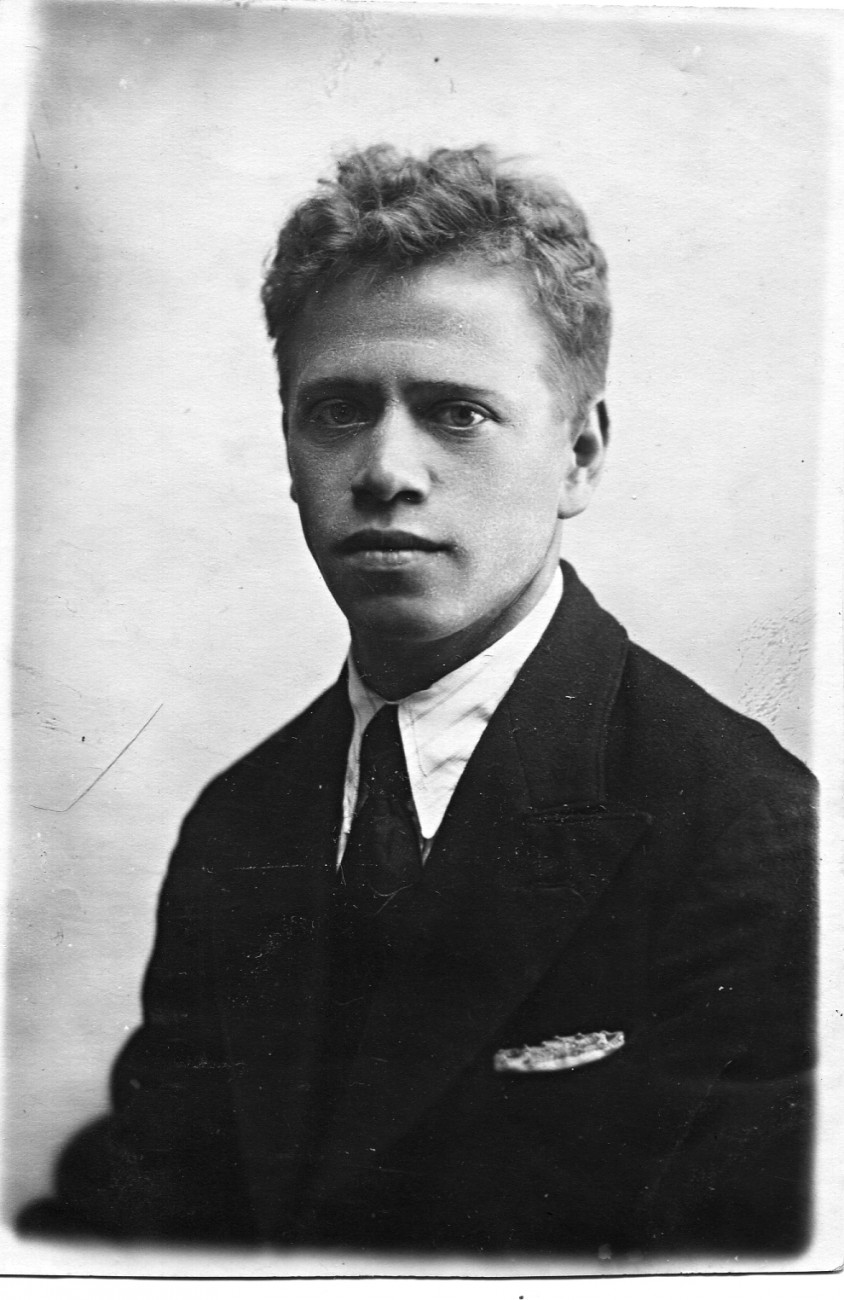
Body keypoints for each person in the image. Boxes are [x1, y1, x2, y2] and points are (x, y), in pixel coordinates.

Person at [18, 145, 816, 1259]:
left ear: (580, 456)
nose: (386, 469)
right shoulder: (241, 822)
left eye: (456, 412)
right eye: (339, 410)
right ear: (288, 447)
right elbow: (149, 1207)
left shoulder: (750, 833)